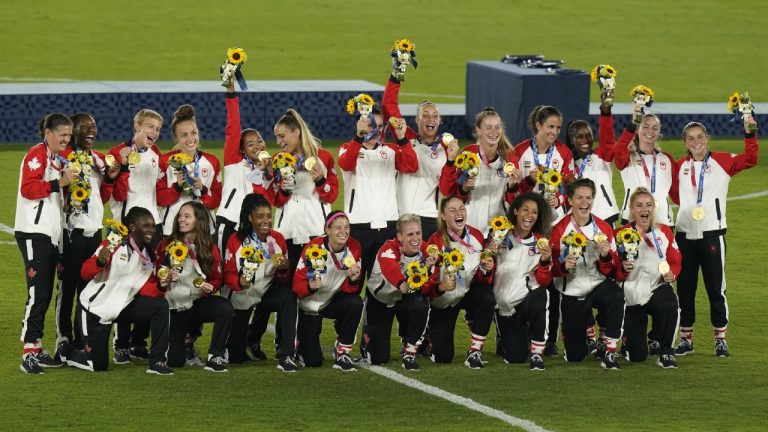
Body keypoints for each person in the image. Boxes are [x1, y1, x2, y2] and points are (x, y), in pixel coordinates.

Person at [672, 118, 759, 357]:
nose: (696, 141)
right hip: (684, 236)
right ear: (685, 142)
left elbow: (750, 160)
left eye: (700, 136)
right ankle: (686, 339)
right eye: (691, 138)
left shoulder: (722, 160)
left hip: (712, 235)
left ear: (707, 138)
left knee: (715, 289)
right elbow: (674, 195)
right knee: (685, 289)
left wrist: (749, 132)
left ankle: (720, 339)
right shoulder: (680, 166)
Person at [65, 207, 172, 375]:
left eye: (153, 225)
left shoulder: (149, 256)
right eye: (146, 225)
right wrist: (99, 262)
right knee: (98, 366)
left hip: (121, 307)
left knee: (160, 305)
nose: (152, 229)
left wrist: (161, 285)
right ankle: (69, 353)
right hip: (95, 310)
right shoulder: (114, 243)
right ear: (132, 227)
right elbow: (85, 272)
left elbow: (146, 290)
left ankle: (157, 361)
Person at [54, 113, 119, 360]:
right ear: (73, 132)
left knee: (88, 287)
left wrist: (111, 178)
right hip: (71, 233)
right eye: (85, 127)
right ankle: (63, 339)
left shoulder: (99, 160)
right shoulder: (65, 159)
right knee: (67, 288)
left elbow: (101, 197)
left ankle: (81, 339)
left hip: (95, 232)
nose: (91, 131)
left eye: (94, 126)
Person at [15, 113, 76, 373]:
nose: (66, 138)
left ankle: (37, 349)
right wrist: (57, 183)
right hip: (33, 232)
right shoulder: (37, 154)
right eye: (62, 134)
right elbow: (27, 189)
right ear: (48, 133)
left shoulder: (55, 158)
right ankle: (28, 351)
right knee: (37, 293)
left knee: (45, 293)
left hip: (49, 234)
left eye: (69, 135)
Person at [514, 105, 575, 356]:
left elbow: (570, 187)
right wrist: (528, 184)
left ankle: (548, 340)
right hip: (526, 224)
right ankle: (512, 334)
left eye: (558, 127)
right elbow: (511, 190)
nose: (554, 131)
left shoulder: (563, 152)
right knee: (519, 276)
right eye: (550, 126)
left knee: (552, 280)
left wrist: (559, 201)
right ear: (538, 126)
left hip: (552, 225)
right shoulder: (519, 151)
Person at [338, 103, 418, 283]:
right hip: (359, 227)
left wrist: (402, 138)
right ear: (362, 124)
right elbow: (346, 164)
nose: (376, 130)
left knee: (384, 284)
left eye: (381, 127)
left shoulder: (390, 151)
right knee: (353, 283)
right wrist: (358, 137)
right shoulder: (347, 148)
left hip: (388, 227)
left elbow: (412, 166)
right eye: (372, 125)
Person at [550, 178, 624, 369]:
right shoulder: (559, 230)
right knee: (575, 356)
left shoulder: (604, 228)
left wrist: (606, 256)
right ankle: (582, 340)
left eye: (589, 198)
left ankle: (609, 350)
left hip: (597, 285)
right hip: (572, 292)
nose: (585, 202)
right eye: (579, 198)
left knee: (616, 295)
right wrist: (564, 266)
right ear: (570, 201)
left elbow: (611, 269)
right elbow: (553, 271)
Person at [109, 108, 163, 362]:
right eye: (150, 127)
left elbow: (160, 194)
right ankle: (121, 342)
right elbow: (117, 195)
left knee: (149, 282)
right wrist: (123, 166)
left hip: (154, 227)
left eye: (157, 129)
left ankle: (139, 342)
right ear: (137, 126)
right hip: (127, 227)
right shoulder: (117, 153)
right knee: (125, 282)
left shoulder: (156, 156)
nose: (153, 132)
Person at [221, 193, 296, 371]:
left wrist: (284, 269)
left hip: (264, 295)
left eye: (269, 216)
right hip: (241, 298)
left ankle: (286, 354)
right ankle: (241, 341)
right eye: (260, 216)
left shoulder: (277, 239)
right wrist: (239, 282)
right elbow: (228, 274)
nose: (266, 221)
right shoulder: (236, 240)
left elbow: (281, 279)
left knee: (288, 296)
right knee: (235, 358)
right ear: (249, 217)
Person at [156, 201, 232, 372]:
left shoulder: (209, 248)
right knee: (175, 362)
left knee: (225, 307)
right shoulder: (167, 244)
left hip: (196, 304)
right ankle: (183, 346)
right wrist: (163, 277)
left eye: (187, 216)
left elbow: (216, 278)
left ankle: (215, 357)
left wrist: (210, 287)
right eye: (180, 216)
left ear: (199, 221)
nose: (181, 220)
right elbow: (155, 270)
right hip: (173, 308)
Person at [424, 196, 495, 368]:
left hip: (465, 292)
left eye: (462, 208)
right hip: (442, 301)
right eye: (452, 210)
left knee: (487, 297)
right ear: (442, 216)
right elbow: (425, 287)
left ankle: (475, 351)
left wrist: (486, 269)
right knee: (443, 357)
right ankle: (428, 334)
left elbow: (480, 277)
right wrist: (441, 287)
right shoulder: (434, 243)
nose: (459, 213)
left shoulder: (476, 236)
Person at [614, 187, 682, 368]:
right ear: (632, 209)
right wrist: (621, 268)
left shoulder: (664, 232)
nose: (645, 209)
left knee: (670, 304)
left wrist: (671, 274)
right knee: (637, 356)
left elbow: (676, 261)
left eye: (649, 205)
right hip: (631, 296)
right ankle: (629, 344)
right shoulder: (620, 234)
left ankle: (667, 351)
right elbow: (612, 269)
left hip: (656, 287)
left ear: (653, 208)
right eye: (639, 205)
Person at [382, 62, 450, 240]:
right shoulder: (407, 137)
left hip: (428, 218)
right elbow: (389, 107)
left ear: (439, 121)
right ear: (417, 119)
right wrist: (397, 72)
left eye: (435, 116)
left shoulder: (447, 149)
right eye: (425, 115)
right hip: (399, 216)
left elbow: (448, 187)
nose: (431, 119)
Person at [364, 214, 437, 371]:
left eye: (418, 233)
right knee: (378, 358)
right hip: (380, 300)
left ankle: (409, 350)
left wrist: (430, 271)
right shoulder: (388, 249)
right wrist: (401, 283)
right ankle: (367, 338)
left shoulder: (426, 250)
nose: (415, 238)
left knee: (421, 304)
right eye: (410, 234)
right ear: (399, 236)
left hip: (404, 298)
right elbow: (390, 268)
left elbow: (426, 286)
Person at [292, 211, 364, 372]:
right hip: (308, 306)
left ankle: (343, 352)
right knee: (313, 362)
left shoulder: (354, 246)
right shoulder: (314, 248)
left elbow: (348, 289)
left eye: (346, 227)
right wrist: (310, 286)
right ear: (328, 229)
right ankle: (299, 342)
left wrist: (353, 280)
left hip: (331, 300)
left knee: (355, 303)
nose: (343, 232)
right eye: (338, 227)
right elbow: (297, 285)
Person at [272, 109, 339, 273]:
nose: (278, 141)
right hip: (286, 232)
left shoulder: (323, 157)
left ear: (297, 132)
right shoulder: (278, 160)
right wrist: (284, 190)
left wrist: (321, 181)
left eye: (282, 136)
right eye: (277, 136)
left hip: (316, 232)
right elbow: (275, 200)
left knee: (317, 282)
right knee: (285, 283)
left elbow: (331, 196)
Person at [493, 192, 553, 370]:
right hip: (504, 307)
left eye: (534, 212)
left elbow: (544, 280)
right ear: (516, 211)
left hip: (526, 300)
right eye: (525, 210)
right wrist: (489, 255)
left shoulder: (541, 243)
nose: (529, 215)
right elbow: (485, 274)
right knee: (516, 358)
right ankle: (513, 339)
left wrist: (544, 261)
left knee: (541, 295)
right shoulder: (500, 237)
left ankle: (537, 352)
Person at [440, 107, 522, 236]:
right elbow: (447, 191)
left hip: (499, 229)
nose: (494, 132)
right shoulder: (469, 153)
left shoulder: (510, 159)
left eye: (497, 127)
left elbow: (514, 203)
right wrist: (464, 188)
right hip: (470, 228)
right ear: (479, 131)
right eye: (488, 127)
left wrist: (512, 187)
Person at [215, 81, 272, 255]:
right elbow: (233, 126)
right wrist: (231, 94)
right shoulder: (234, 161)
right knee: (224, 272)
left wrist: (267, 173)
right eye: (250, 144)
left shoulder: (269, 170)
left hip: (253, 228)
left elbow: (264, 201)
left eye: (259, 141)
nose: (257, 146)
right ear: (241, 149)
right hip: (229, 223)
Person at [157, 104, 222, 236]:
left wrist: (203, 189)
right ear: (176, 137)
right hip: (172, 229)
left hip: (205, 229)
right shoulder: (165, 161)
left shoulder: (212, 162)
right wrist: (177, 187)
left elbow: (216, 200)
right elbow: (159, 199)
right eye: (184, 135)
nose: (191, 139)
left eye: (194, 133)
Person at [614, 108, 677, 226]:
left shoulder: (667, 159)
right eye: (646, 127)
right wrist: (632, 125)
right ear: (638, 130)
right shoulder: (628, 157)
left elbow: (676, 192)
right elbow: (618, 151)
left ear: (659, 133)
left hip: (662, 221)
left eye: (655, 128)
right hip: (632, 221)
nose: (650, 131)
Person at [564, 92, 619, 225]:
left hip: (606, 218)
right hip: (577, 221)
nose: (585, 140)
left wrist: (605, 112)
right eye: (579, 136)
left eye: (588, 135)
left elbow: (607, 138)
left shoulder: (602, 156)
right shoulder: (566, 163)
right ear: (572, 140)